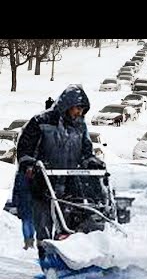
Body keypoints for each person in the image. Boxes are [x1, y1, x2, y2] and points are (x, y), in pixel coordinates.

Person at [16, 84, 104, 260]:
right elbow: (25, 149)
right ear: (67, 104)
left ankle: (70, 256)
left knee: (70, 222)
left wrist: (91, 162)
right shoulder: (41, 122)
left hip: (69, 183)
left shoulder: (80, 127)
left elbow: (86, 151)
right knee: (43, 222)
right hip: (43, 182)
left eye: (82, 110)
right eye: (77, 108)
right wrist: (29, 164)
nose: (79, 113)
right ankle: (46, 257)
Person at [12, 170, 35, 250]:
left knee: (25, 221)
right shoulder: (34, 174)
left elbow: (15, 190)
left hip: (22, 201)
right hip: (33, 201)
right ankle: (31, 241)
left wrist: (14, 203)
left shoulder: (19, 176)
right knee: (32, 221)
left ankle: (27, 242)